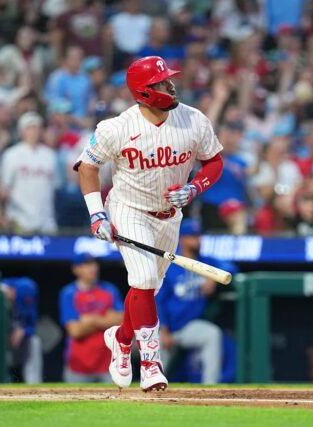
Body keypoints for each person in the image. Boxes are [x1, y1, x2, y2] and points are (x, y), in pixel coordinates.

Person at [75, 56, 224, 392]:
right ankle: (151, 363)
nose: (170, 85)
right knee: (142, 279)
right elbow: (87, 167)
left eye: (169, 79)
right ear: (144, 92)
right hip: (129, 209)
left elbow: (214, 162)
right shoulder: (116, 128)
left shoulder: (193, 119)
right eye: (162, 82)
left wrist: (194, 188)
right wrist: (97, 213)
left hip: (169, 217)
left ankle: (121, 338)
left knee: (147, 290)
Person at [156, 220, 237, 384]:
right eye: (192, 236)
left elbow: (231, 269)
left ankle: (210, 386)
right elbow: (158, 301)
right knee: (156, 370)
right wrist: (163, 331)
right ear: (183, 239)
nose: (197, 240)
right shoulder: (169, 264)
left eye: (199, 236)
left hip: (189, 326)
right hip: (165, 328)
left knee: (212, 334)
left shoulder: (206, 262)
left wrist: (214, 279)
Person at [59, 254, 123, 383]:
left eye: (94, 264)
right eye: (87, 265)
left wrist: (91, 320)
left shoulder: (109, 289)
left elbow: (122, 321)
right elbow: (75, 331)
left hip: (109, 363)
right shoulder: (69, 293)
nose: (93, 268)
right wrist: (105, 318)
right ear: (76, 269)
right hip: (78, 365)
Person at [0, 112, 57, 234]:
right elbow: (3, 189)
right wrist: (0, 213)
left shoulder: (50, 155)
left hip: (46, 221)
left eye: (37, 127)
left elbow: (55, 186)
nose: (34, 131)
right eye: (30, 127)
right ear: (21, 131)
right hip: (19, 219)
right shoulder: (11, 154)